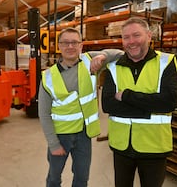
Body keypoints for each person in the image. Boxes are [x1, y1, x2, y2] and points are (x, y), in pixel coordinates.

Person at [38, 27, 123, 187]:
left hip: (84, 134)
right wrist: (53, 144)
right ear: (59, 46)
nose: (70, 46)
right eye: (65, 43)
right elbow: (43, 114)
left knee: (82, 178)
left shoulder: (89, 61)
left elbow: (120, 54)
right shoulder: (48, 77)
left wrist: (103, 55)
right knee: (54, 178)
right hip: (60, 136)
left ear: (81, 45)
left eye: (74, 42)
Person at [101, 17, 177, 187]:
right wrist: (149, 108)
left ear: (149, 36)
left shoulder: (165, 62)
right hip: (122, 148)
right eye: (126, 37)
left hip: (154, 147)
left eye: (136, 35)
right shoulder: (114, 66)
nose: (131, 41)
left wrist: (127, 96)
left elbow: (169, 102)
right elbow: (107, 105)